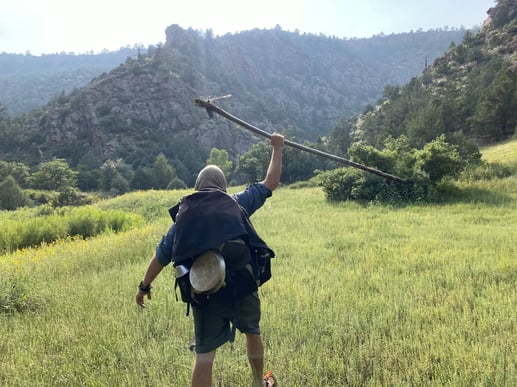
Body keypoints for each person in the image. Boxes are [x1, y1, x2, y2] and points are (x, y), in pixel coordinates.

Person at [136, 133, 284, 387]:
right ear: (222, 186)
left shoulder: (184, 218)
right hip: (241, 283)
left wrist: (144, 287)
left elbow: (160, 256)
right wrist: (277, 148)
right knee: (252, 332)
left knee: (204, 356)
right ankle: (259, 383)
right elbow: (271, 181)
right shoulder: (236, 202)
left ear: (197, 186)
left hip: (203, 290)